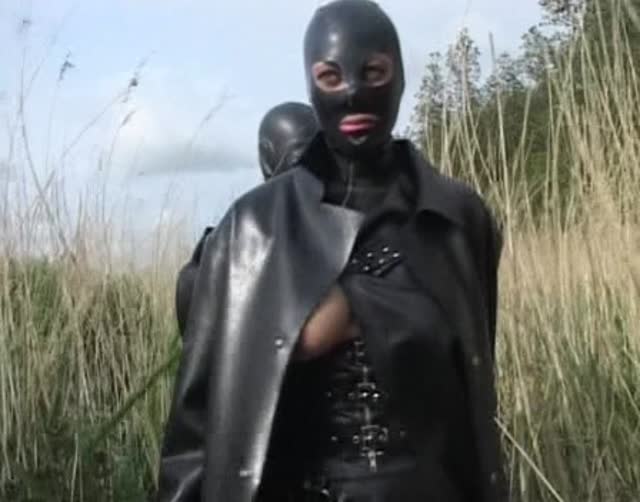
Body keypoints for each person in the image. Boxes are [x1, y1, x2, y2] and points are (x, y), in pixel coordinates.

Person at [156, 1, 506, 501]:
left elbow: (473, 386)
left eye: (373, 72)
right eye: (330, 76)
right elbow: (199, 418)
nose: (353, 92)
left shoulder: (459, 217)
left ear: (400, 75)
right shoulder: (252, 228)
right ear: (310, 85)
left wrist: (360, 304)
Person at [174, 102, 318, 337]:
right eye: (301, 161)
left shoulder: (349, 238)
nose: (317, 175)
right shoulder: (215, 261)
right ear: (268, 161)